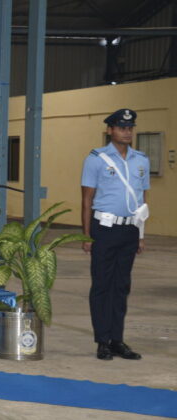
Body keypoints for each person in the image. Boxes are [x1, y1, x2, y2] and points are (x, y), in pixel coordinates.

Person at [81, 108, 149, 361]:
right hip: (104, 229)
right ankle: (102, 341)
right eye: (121, 127)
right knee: (102, 285)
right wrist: (87, 236)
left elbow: (142, 199)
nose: (127, 132)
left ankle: (117, 340)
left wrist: (140, 234)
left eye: (130, 128)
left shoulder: (141, 160)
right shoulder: (96, 159)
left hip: (130, 229)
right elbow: (87, 199)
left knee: (121, 286)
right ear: (110, 130)